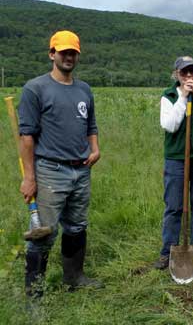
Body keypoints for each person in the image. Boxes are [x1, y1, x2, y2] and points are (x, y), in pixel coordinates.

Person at [18, 30, 102, 298]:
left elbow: (91, 124)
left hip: (81, 170)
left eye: (73, 52)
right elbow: (27, 136)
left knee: (77, 226)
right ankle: (35, 294)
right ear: (51, 54)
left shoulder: (84, 89)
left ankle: (74, 278)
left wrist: (95, 148)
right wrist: (29, 177)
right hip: (50, 170)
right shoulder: (35, 88)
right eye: (63, 51)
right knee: (44, 233)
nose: (68, 57)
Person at [154, 56, 193, 270]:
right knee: (173, 206)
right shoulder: (169, 95)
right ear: (176, 74)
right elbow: (170, 125)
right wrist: (183, 97)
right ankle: (168, 251)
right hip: (176, 158)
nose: (189, 76)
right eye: (184, 73)